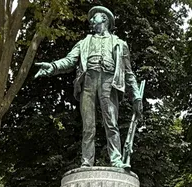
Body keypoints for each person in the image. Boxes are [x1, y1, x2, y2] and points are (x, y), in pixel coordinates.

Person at [33, 6, 143, 168]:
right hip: (88, 82)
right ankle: (86, 161)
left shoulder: (119, 44)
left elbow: (128, 73)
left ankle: (116, 159)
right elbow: (69, 61)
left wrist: (136, 96)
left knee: (111, 123)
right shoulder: (83, 43)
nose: (91, 20)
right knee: (88, 127)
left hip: (108, 82)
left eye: (94, 17)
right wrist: (53, 66)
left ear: (104, 19)